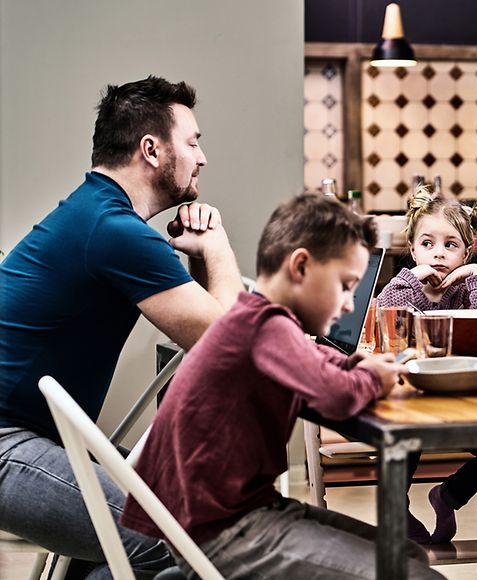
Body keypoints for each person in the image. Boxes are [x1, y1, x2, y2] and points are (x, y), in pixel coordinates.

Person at [121, 194, 443, 579]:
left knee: (410, 556)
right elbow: (337, 394)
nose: (347, 306)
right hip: (225, 531)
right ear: (302, 266)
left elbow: (314, 362)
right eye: (345, 286)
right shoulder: (266, 328)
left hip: (234, 515)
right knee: (417, 575)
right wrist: (373, 376)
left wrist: (358, 365)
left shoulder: (259, 321)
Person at [0, 76, 243, 578]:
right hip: (9, 441)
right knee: (174, 537)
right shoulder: (114, 232)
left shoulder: (97, 214)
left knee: (199, 517)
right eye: (193, 142)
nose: (202, 158)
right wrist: (216, 243)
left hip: (44, 436)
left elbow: (209, 331)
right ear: (152, 150)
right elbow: (232, 346)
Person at [377, 188, 477, 544]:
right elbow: (386, 313)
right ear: (413, 250)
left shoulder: (469, 290)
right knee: (408, 437)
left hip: (463, 398)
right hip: (417, 396)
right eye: (427, 244)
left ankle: (448, 495)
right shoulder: (406, 288)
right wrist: (410, 276)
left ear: (466, 252)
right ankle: (395, 505)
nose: (438, 252)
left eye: (451, 245)